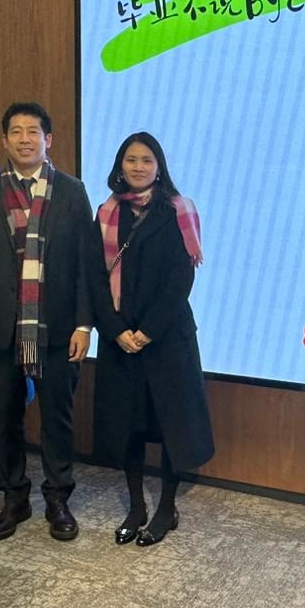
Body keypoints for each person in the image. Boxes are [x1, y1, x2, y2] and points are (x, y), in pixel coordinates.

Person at [0, 101, 94, 542]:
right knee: (6, 420)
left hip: (58, 330)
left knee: (58, 419)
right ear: (4, 140)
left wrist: (84, 325)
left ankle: (58, 498)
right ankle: (14, 498)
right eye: (15, 131)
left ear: (47, 139)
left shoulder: (72, 191)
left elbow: (85, 265)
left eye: (33, 131)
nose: (24, 139)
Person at [90, 131, 214, 547]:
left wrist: (146, 332)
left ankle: (165, 508)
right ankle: (136, 507)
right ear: (120, 166)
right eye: (131, 159)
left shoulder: (178, 210)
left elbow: (181, 279)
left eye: (146, 160)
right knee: (129, 426)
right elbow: (94, 276)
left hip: (166, 338)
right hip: (120, 340)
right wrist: (116, 330)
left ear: (159, 167)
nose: (138, 167)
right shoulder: (107, 212)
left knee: (170, 426)